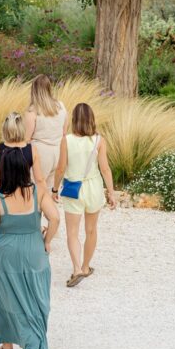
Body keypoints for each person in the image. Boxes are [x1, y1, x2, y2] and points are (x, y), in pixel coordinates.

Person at [0, 148, 59, 349]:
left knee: (3, 295)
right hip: (34, 250)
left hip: (4, 253)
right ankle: (32, 348)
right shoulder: (38, 193)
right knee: (36, 297)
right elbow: (54, 218)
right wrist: (46, 241)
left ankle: (7, 346)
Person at [53, 102, 117, 287]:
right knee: (91, 230)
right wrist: (111, 193)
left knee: (72, 232)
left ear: (74, 120)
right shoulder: (99, 140)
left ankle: (76, 269)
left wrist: (55, 189)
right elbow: (105, 169)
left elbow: (60, 168)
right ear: (91, 119)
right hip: (94, 188)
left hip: (74, 189)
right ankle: (86, 266)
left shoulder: (67, 140)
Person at [0, 111, 44, 216]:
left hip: (3, 195)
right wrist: (41, 202)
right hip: (25, 196)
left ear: (5, 129)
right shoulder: (31, 149)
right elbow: (39, 180)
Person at [24, 74, 68, 190]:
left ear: (34, 90)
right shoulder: (61, 106)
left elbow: (26, 139)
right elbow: (64, 131)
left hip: (40, 153)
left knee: (35, 190)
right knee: (48, 192)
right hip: (58, 151)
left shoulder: (32, 110)